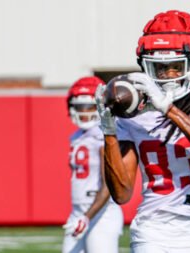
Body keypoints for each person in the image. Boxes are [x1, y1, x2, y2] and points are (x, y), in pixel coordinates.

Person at [95, 10, 190, 253]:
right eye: (159, 68)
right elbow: (122, 194)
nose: (168, 75)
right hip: (152, 231)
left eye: (176, 66)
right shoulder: (135, 116)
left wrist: (167, 108)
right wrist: (108, 130)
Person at [62, 76, 123, 253]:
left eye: (89, 106)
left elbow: (108, 186)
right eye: (79, 107)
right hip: (79, 211)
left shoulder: (102, 135)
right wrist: (81, 216)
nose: (83, 111)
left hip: (101, 212)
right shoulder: (77, 136)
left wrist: (87, 217)